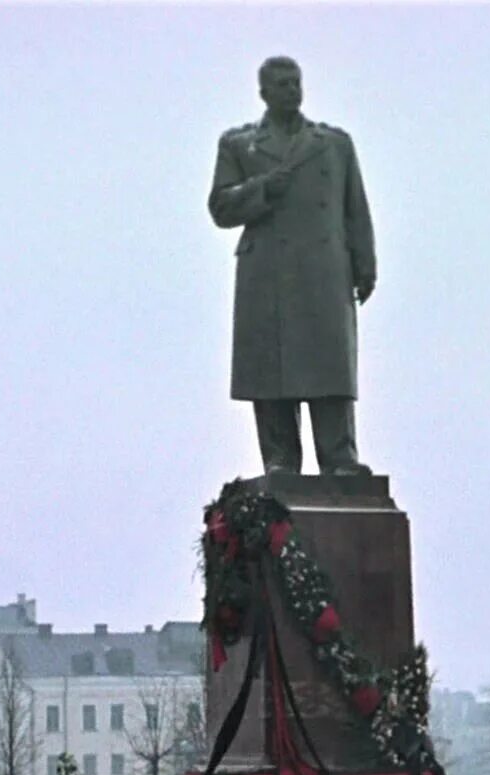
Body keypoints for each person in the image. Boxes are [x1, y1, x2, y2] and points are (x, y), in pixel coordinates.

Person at [209, 55, 378, 477]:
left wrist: (365, 261)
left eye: (296, 83)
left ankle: (339, 457)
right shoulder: (239, 145)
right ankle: (280, 458)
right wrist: (264, 187)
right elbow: (221, 207)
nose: (291, 90)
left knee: (330, 367)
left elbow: (354, 208)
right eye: (282, 84)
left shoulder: (333, 145)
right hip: (267, 272)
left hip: (324, 272)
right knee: (270, 368)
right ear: (263, 92)